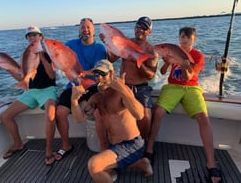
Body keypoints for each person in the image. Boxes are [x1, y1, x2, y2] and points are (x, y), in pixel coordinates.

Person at [146, 27, 222, 183]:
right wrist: (167, 63)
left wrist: (184, 65)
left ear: (194, 39)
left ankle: (211, 162)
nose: (184, 39)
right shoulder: (172, 50)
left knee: (203, 117)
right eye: (182, 36)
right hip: (172, 87)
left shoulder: (198, 56)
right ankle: (149, 149)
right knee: (158, 111)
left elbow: (189, 77)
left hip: (191, 87)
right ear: (179, 38)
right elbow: (162, 71)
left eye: (188, 37)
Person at [70, 60, 153, 183]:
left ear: (111, 74)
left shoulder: (121, 92)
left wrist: (124, 90)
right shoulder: (96, 98)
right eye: (96, 74)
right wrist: (74, 101)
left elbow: (139, 115)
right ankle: (142, 163)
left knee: (94, 166)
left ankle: (138, 161)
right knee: (105, 170)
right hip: (114, 146)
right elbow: (79, 119)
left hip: (132, 144)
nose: (99, 77)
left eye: (103, 74)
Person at [0, 26, 58, 165]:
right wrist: (7, 69)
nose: (32, 38)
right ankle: (18, 143)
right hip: (31, 91)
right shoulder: (25, 54)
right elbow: (22, 79)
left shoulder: (49, 53)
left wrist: (42, 55)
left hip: (48, 89)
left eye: (35, 35)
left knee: (50, 115)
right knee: (5, 116)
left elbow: (52, 75)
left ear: (41, 37)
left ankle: (49, 150)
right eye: (29, 36)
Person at [55, 18, 109, 160]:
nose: (85, 30)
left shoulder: (99, 48)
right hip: (73, 85)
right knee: (60, 112)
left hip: (92, 86)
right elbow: (59, 56)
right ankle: (66, 145)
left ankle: (104, 149)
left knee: (98, 113)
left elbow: (99, 69)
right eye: (82, 27)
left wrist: (84, 74)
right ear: (79, 30)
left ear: (94, 30)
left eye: (88, 27)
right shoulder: (71, 44)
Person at [101, 16, 158, 148]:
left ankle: (141, 147)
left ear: (149, 32)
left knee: (146, 118)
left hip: (141, 88)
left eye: (144, 28)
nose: (140, 30)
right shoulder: (125, 42)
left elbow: (150, 75)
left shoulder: (151, 51)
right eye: (138, 27)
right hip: (123, 85)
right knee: (108, 110)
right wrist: (107, 43)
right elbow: (112, 59)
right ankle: (112, 145)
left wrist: (137, 62)